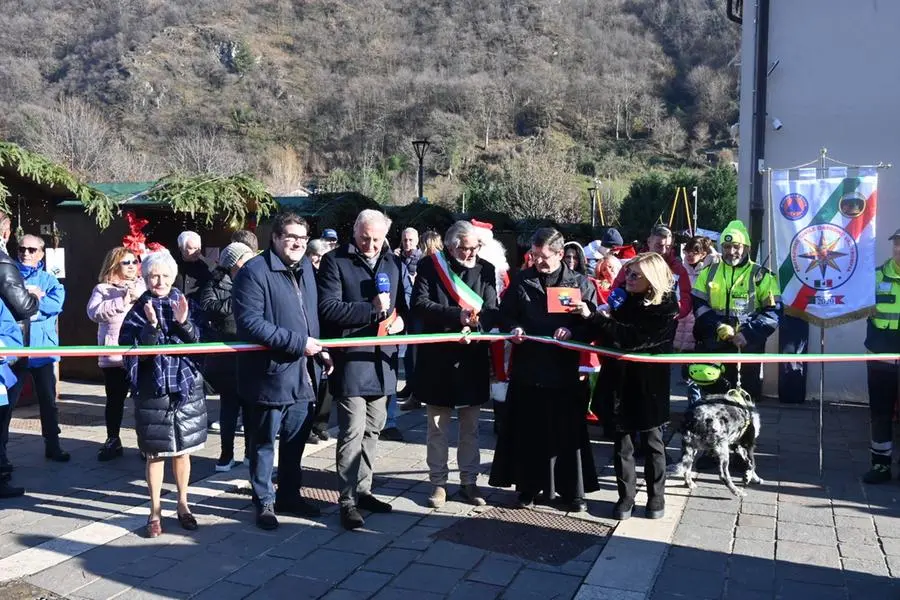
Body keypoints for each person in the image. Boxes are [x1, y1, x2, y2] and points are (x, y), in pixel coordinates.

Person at [489, 227, 599, 512]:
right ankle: (527, 487)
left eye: (544, 256)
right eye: (534, 255)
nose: (538, 261)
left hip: (565, 371)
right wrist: (513, 328)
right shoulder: (522, 280)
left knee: (568, 432)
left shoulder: (579, 282)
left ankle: (573, 492)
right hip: (529, 368)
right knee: (529, 432)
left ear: (561, 255)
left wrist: (572, 329)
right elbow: (506, 313)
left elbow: (593, 321)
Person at [233, 212, 329, 530]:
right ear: (275, 238)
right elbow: (251, 323)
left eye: (302, 238)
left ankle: (290, 495)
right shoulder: (254, 272)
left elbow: (310, 317)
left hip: (303, 374)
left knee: (295, 441)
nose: (297, 243)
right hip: (269, 375)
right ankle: (264, 501)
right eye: (290, 236)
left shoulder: (306, 270)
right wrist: (299, 343)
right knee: (263, 444)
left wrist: (320, 351)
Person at [318, 209, 406, 530]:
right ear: (354, 232)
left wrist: (399, 322)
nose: (370, 245)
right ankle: (346, 499)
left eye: (376, 239)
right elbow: (328, 308)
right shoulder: (335, 262)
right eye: (364, 238)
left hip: (383, 361)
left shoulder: (393, 263)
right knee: (352, 431)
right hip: (352, 358)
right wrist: (369, 310)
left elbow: (402, 309)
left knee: (374, 428)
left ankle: (364, 489)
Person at [582, 253, 678, 520]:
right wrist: (594, 317)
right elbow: (607, 334)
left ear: (652, 278)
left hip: (649, 384)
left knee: (652, 442)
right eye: (628, 274)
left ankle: (656, 497)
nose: (628, 279)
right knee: (622, 443)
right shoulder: (621, 298)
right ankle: (626, 498)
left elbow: (632, 339)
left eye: (636, 275)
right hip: (619, 381)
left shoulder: (666, 307)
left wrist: (601, 320)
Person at [119, 251, 208, 538]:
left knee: (182, 451)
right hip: (152, 389)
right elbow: (131, 350)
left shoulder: (185, 302)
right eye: (153, 275)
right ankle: (155, 510)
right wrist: (152, 327)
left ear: (173, 276)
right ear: (145, 278)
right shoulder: (138, 308)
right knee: (155, 453)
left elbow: (199, 343)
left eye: (164, 275)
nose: (159, 281)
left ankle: (183, 504)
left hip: (184, 388)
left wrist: (183, 323)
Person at [411, 221, 498, 508]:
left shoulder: (485, 269)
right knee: (437, 428)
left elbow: (492, 308)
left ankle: (469, 482)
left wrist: (475, 329)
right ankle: (438, 483)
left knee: (470, 428)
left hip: (472, 359)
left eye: (475, 247)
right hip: (439, 360)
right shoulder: (430, 267)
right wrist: (455, 317)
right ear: (450, 247)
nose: (471, 253)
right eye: (465, 248)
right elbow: (420, 305)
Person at [692, 220, 781, 403]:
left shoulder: (761, 275)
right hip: (715, 342)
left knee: (747, 396)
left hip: (749, 344)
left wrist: (748, 333)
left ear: (746, 247)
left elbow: (774, 312)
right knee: (715, 395)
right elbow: (698, 305)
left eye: (736, 246)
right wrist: (717, 326)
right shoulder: (708, 272)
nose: (730, 251)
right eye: (726, 246)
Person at [87, 247, 147, 461]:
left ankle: (146, 442)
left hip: (140, 354)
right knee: (115, 400)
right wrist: (122, 300)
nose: (131, 266)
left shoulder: (143, 285)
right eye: (126, 262)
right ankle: (113, 439)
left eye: (134, 261)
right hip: (114, 355)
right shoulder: (103, 289)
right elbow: (94, 313)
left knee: (143, 400)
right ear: (114, 265)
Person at [200, 242, 255, 472]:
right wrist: (238, 299)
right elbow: (208, 306)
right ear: (233, 264)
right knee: (229, 407)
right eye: (245, 261)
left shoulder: (256, 280)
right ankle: (226, 453)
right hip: (227, 354)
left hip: (251, 352)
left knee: (252, 407)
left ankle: (250, 453)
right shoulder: (214, 282)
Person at [16, 234, 69, 462]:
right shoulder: (10, 275)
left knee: (48, 401)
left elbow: (56, 304)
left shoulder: (49, 279)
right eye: (21, 249)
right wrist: (34, 299)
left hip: (43, 351)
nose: (25, 253)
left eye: (31, 249)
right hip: (15, 351)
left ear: (40, 252)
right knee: (6, 403)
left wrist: (28, 305)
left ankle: (52, 444)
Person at [0, 214, 40, 493]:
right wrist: (33, 295)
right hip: (5, 350)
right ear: (5, 231)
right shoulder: (2, 262)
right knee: (2, 415)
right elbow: (23, 305)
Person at [862, 228, 900, 484]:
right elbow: (853, 303)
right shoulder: (873, 277)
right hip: (881, 357)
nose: (899, 249)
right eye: (897, 244)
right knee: (880, 413)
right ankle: (881, 465)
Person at [674, 236, 719, 407]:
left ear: (704, 253)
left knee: (702, 370)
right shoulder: (681, 269)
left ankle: (702, 405)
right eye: (687, 251)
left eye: (695, 251)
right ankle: (694, 406)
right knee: (687, 371)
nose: (690, 255)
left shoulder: (714, 268)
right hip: (683, 321)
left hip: (701, 323)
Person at [305, 238, 333, 444]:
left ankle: (321, 423)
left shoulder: (328, 273)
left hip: (327, 330)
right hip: (310, 331)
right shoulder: (305, 273)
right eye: (316, 257)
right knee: (310, 383)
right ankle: (307, 428)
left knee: (327, 381)